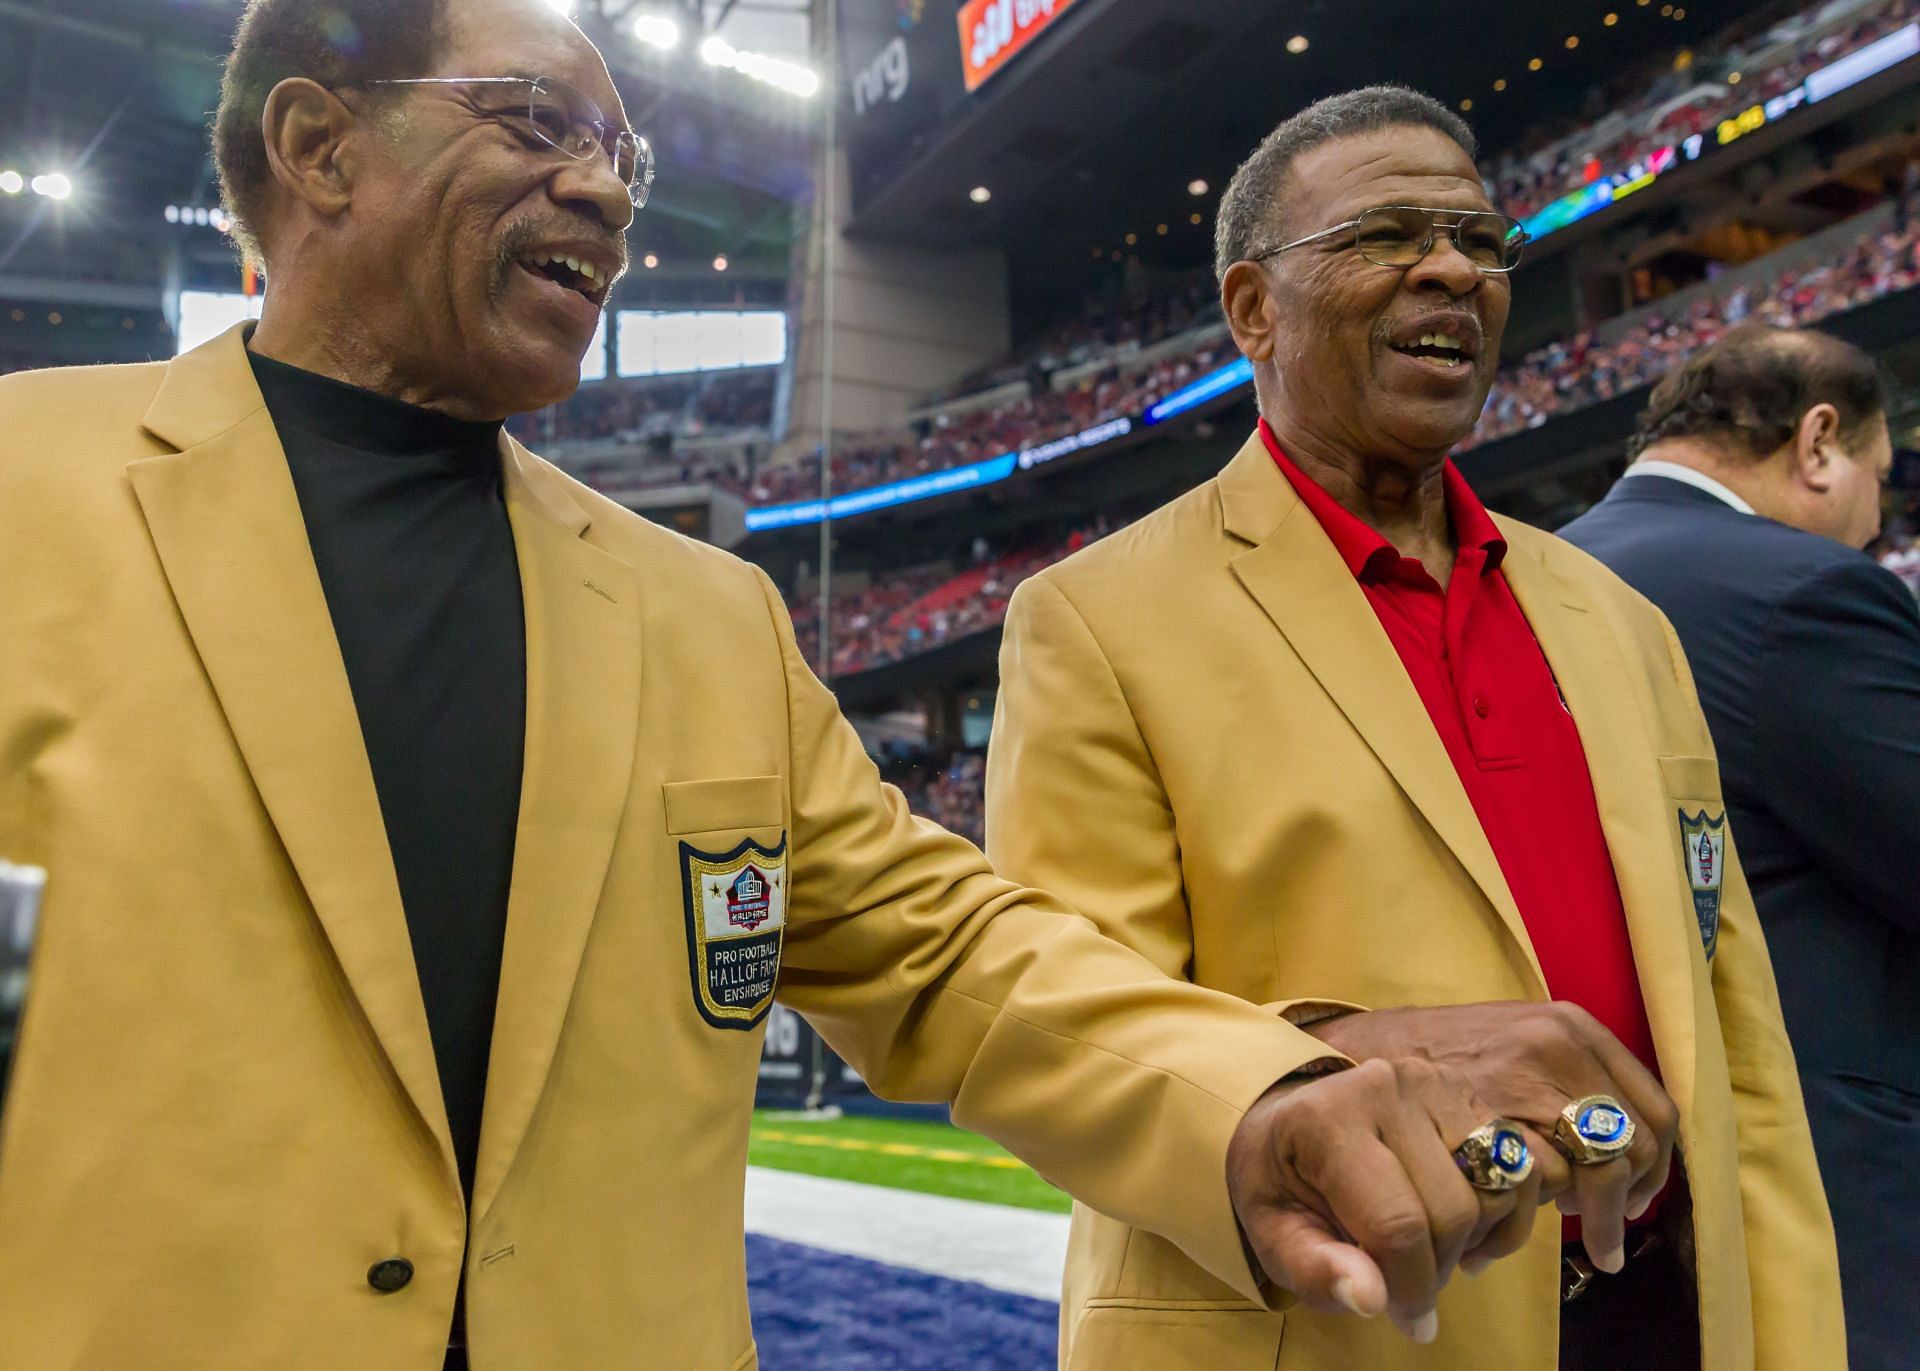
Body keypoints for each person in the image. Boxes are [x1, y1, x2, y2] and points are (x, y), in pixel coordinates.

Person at [0, 6, 1547, 1369]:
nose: (606, 189)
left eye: (626, 158)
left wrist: (1256, 1092)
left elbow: (945, 948)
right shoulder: (24, 491)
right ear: (317, 146)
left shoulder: (707, 613)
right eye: (538, 123)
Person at [986, 87, 1842, 1370]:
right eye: (1385, 235)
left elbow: (1741, 1055)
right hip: (1344, 1328)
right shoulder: (1096, 620)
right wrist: (1329, 1061)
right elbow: (1063, 1021)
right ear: (1253, 309)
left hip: (1660, 1315)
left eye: (1479, 239)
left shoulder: (1617, 620)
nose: (1452, 266)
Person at [1560, 323, 1919, 1371]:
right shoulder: (1805, 589)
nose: (1876, 517)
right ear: (1817, 442)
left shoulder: (1537, 576)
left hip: (1604, 1185)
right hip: (1822, 1188)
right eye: (1878, 476)